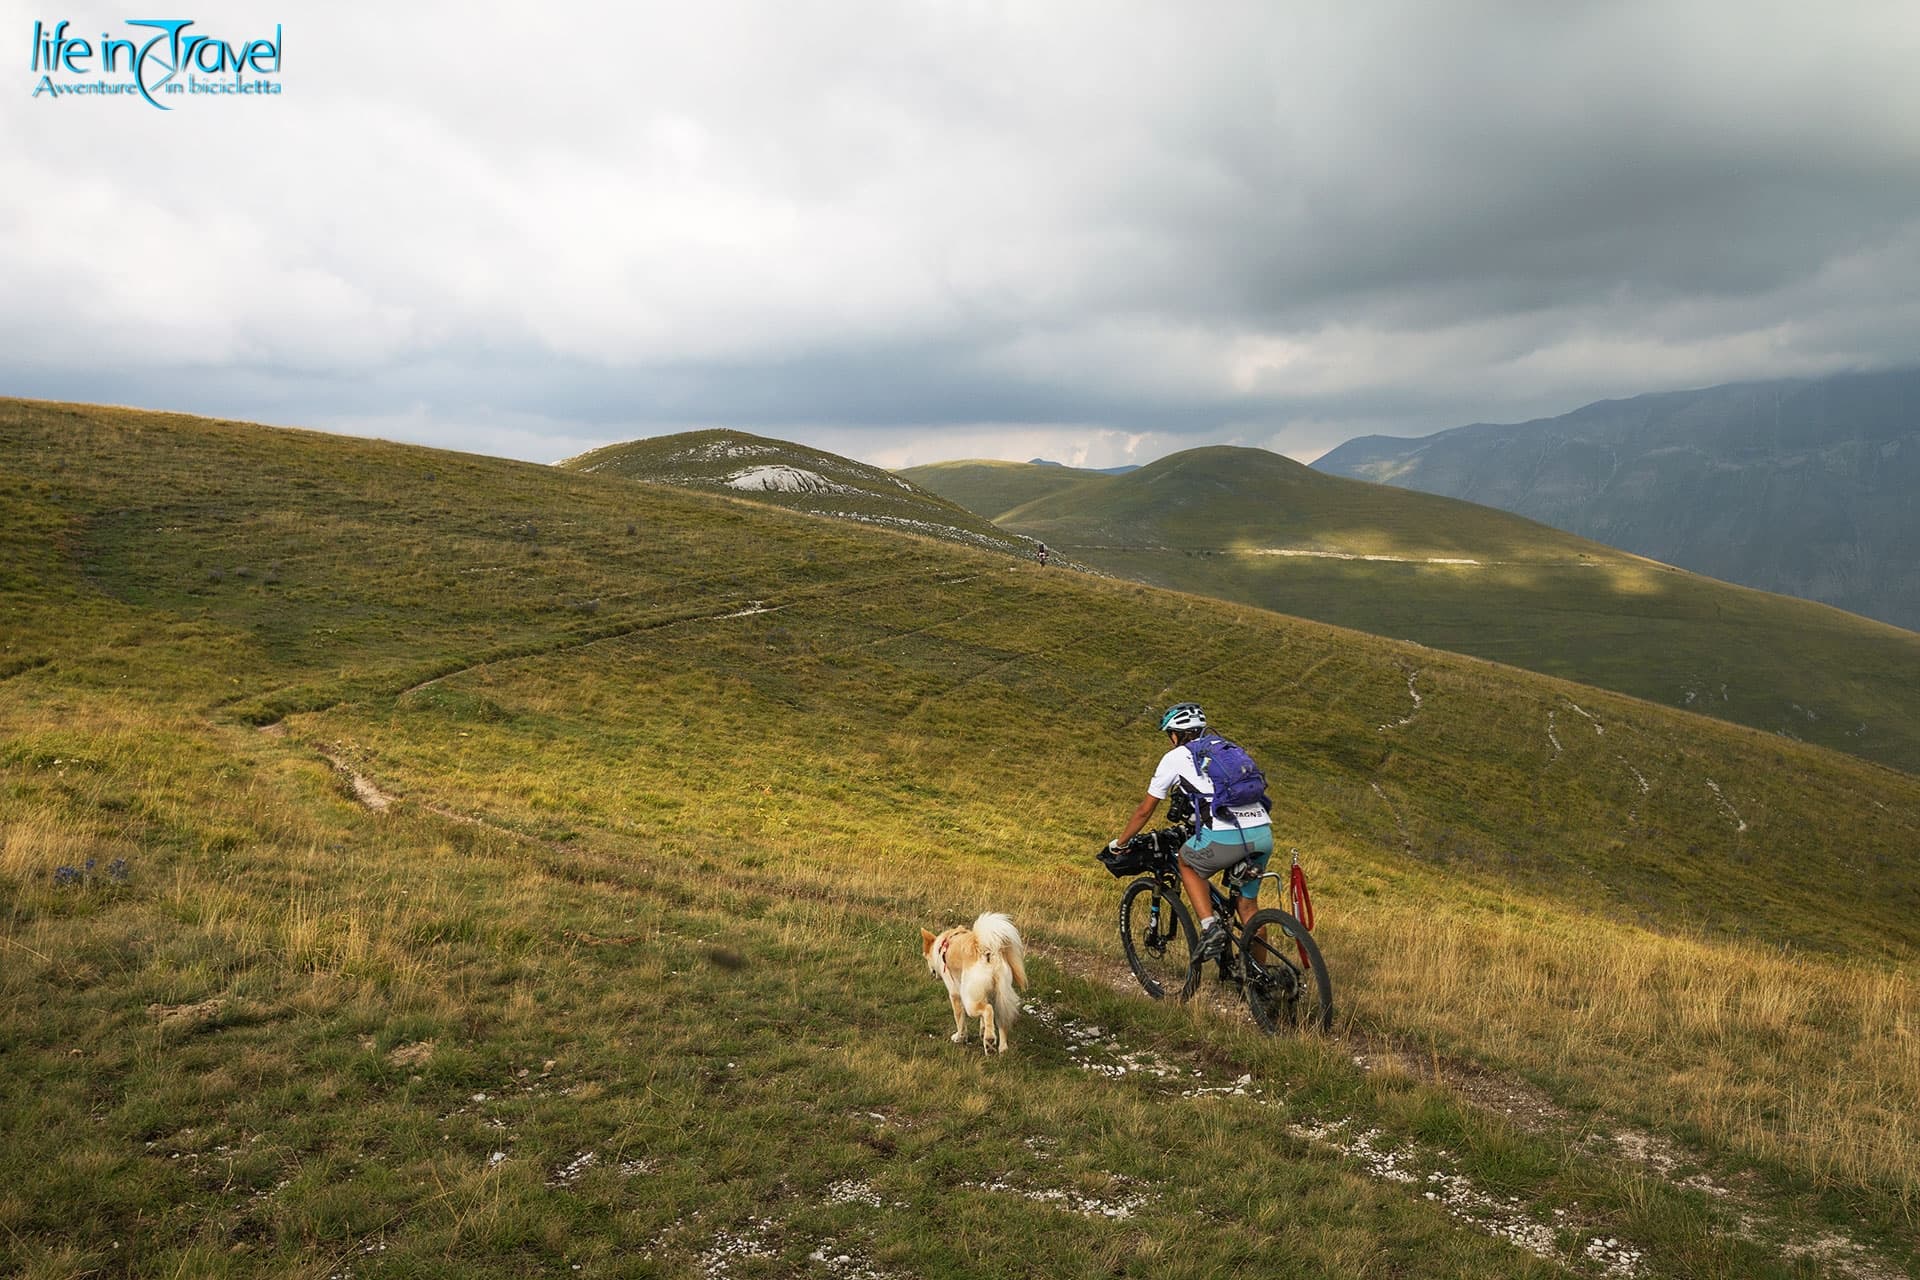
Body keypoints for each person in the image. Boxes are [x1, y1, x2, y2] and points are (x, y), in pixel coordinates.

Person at [1107, 702, 1273, 962]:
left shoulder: (1174, 757)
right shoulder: (1224, 748)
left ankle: (1210, 928)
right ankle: (1259, 979)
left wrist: (1120, 842)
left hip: (1227, 835)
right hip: (1262, 832)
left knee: (1186, 861)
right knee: (1248, 907)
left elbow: (1145, 810)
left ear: (1175, 734)